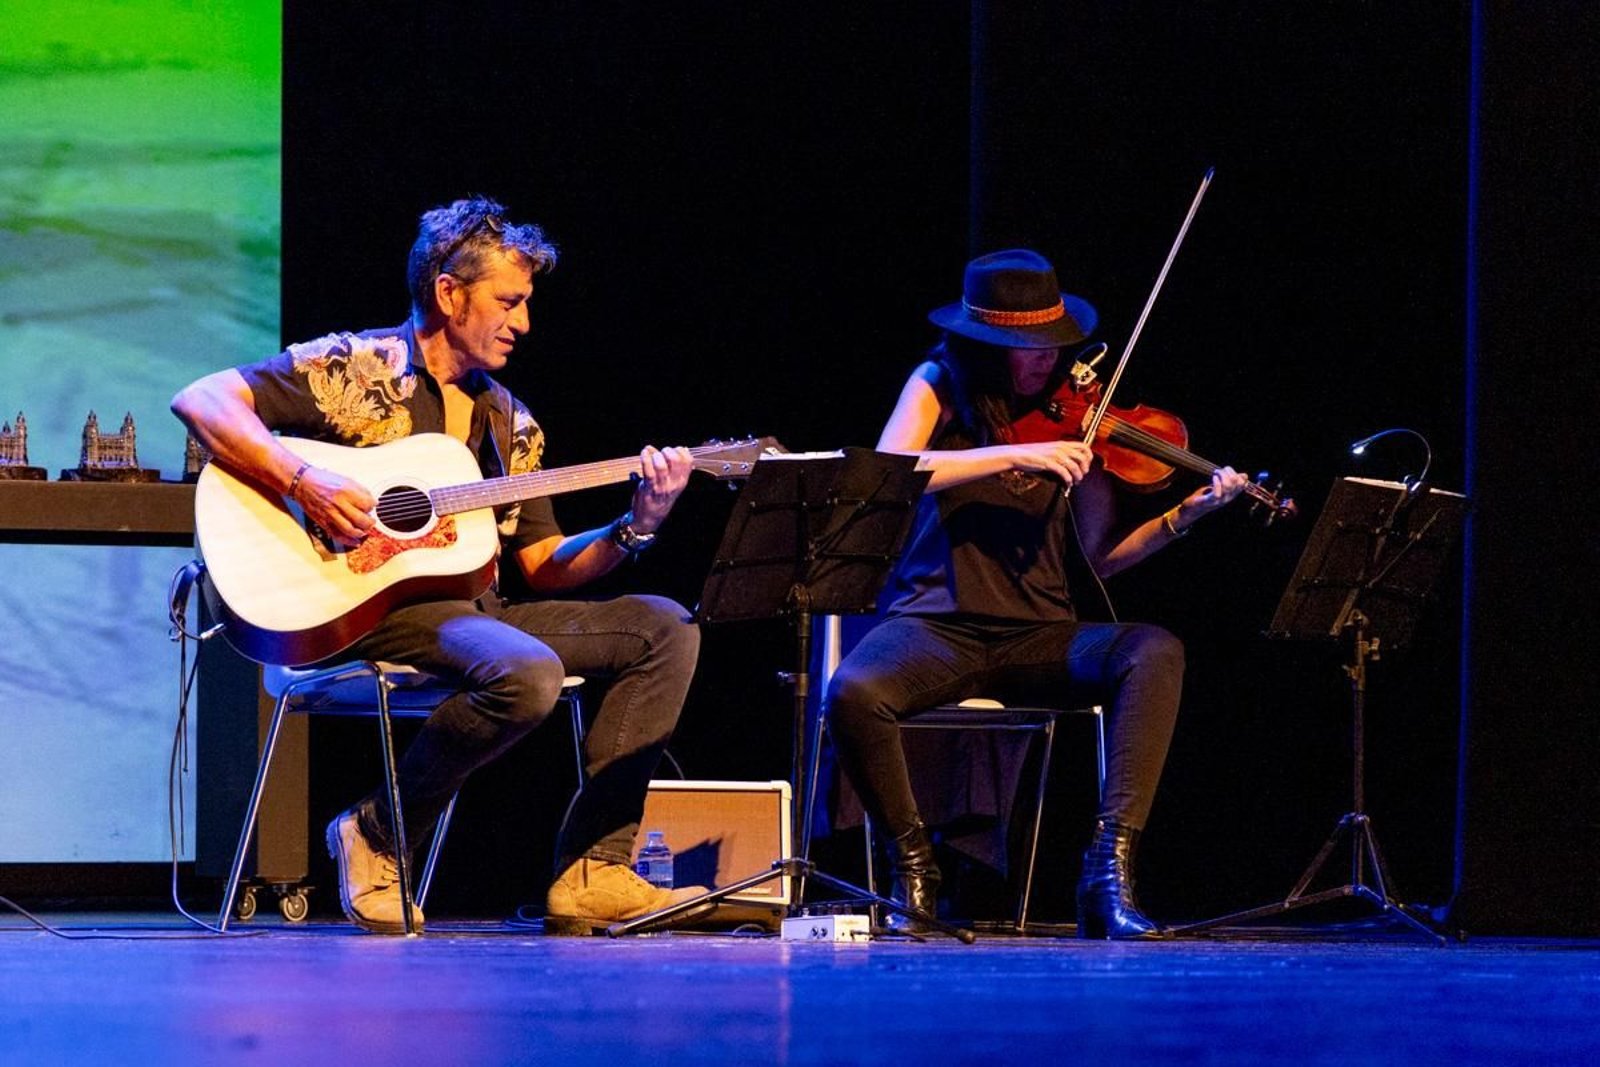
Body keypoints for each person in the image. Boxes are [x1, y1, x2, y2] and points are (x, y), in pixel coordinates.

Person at [172, 195, 704, 936]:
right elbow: (202, 399)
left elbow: (544, 563)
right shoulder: (357, 369)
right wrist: (305, 481)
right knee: (527, 673)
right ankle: (377, 832)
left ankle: (595, 869)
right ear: (449, 293)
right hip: (360, 608)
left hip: (474, 615)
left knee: (667, 629)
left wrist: (635, 525)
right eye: (508, 302)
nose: (524, 322)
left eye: (526, 303)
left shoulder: (510, 421)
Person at [824, 249, 1247, 939]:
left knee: (1153, 650)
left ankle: (1107, 874)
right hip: (937, 626)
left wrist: (1182, 517)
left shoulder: (1081, 419)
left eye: (1053, 344)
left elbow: (1102, 558)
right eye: (1028, 347)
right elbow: (887, 473)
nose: (1047, 359)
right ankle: (914, 870)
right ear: (985, 344)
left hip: (1039, 636)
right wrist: (1014, 453)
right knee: (852, 691)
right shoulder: (938, 383)